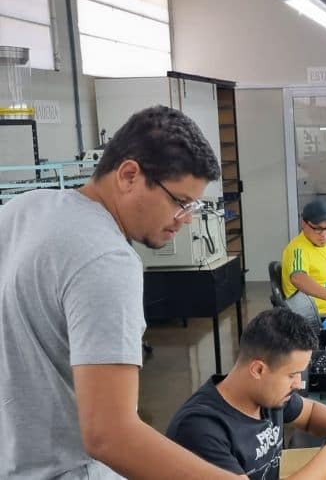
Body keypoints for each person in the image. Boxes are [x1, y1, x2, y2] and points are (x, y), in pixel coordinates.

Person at [0, 106, 245, 479]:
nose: (186, 219)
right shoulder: (107, 259)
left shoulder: (24, 209)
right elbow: (110, 435)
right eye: (180, 202)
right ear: (129, 175)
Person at [166, 307, 326, 479]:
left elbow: (310, 413)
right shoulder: (201, 430)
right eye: (292, 374)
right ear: (258, 370)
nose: (298, 384)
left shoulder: (267, 396)